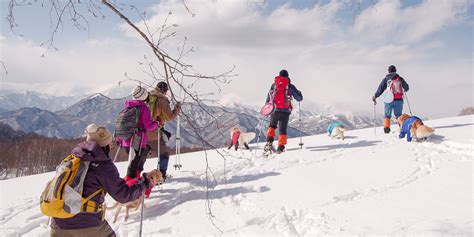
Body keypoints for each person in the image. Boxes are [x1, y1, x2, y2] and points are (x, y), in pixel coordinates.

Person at [50, 124, 161, 237]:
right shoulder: (103, 165)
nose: (112, 146)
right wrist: (145, 183)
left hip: (57, 224)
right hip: (88, 224)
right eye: (110, 143)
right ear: (105, 145)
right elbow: (123, 195)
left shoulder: (71, 160)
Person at [119, 85, 159, 198]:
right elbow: (148, 126)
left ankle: (133, 187)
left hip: (126, 140)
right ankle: (128, 192)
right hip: (137, 140)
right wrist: (157, 123)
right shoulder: (143, 108)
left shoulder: (127, 107)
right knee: (133, 167)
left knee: (134, 165)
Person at [147, 81, 181, 181]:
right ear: (165, 91)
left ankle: (135, 179)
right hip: (153, 132)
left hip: (142, 132)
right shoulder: (162, 100)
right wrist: (177, 108)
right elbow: (170, 116)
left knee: (140, 158)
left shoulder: (148, 97)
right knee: (164, 154)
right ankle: (160, 176)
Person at [264, 69, 303, 153]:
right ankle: (281, 147)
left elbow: (269, 97)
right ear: (287, 76)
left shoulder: (274, 85)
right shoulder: (290, 86)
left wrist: (267, 107)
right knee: (282, 129)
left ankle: (269, 141)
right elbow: (299, 99)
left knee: (272, 125)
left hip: (274, 109)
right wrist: (300, 93)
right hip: (285, 111)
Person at [372, 65, 409, 133]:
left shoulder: (386, 79)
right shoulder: (400, 78)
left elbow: (380, 89)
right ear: (395, 70)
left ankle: (386, 129)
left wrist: (375, 96)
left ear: (388, 71)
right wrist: (404, 89)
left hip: (388, 100)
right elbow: (406, 88)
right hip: (399, 100)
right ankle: (402, 127)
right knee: (398, 115)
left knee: (387, 115)